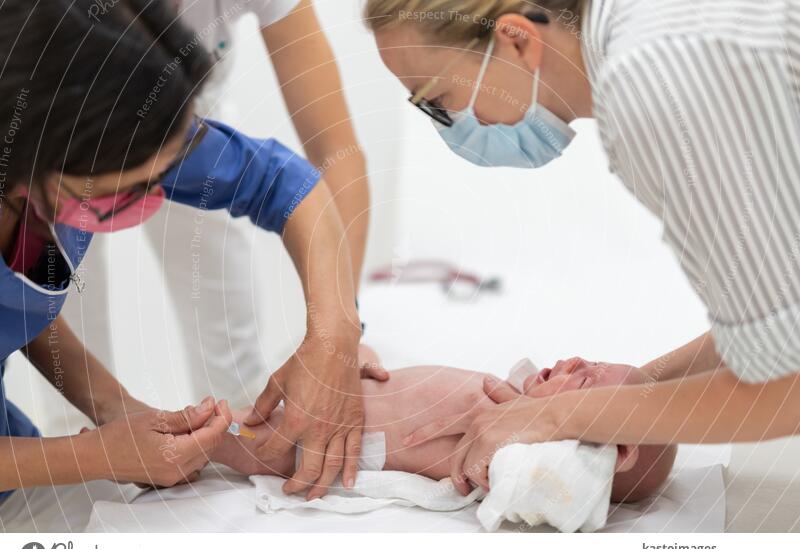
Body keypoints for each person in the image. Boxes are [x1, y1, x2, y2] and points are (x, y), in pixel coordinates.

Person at [362, 0, 800, 494]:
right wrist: (635, 383)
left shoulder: (653, 79)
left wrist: (560, 416)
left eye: (438, 99)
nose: (445, 126)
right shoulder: (655, 34)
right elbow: (782, 323)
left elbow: (787, 387)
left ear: (518, 40)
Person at [0, 0, 367, 507]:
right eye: (135, 190)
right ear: (34, 168)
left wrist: (336, 331)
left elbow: (290, 186)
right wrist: (94, 456)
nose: (160, 195)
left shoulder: (107, 137)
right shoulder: (68, 144)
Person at [63, 0, 374, 409]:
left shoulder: (197, 147)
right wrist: (109, 422)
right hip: (64, 123)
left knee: (234, 368)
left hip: (183, 119)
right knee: (64, 301)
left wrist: (338, 326)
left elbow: (330, 151)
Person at [214, 348, 676, 503]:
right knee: (361, 351)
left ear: (612, 454)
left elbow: (542, 486)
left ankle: (205, 441)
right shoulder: (514, 402)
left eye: (586, 378)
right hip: (353, 386)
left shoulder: (522, 455)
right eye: (589, 359)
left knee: (233, 433)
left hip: (318, 443)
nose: (571, 360)